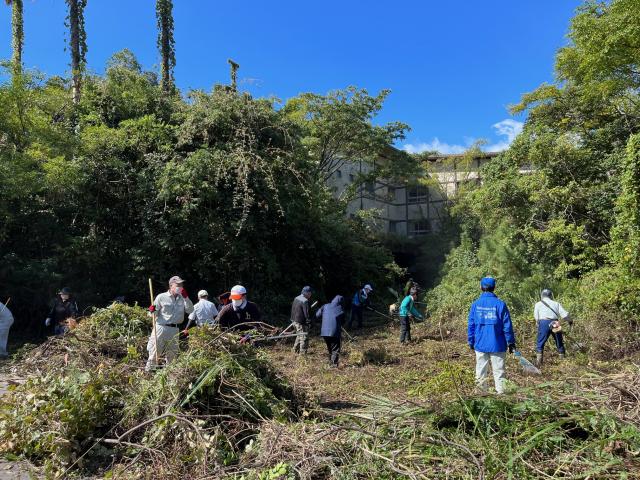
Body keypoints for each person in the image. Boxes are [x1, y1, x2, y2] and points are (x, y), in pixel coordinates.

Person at [467, 277, 516, 394]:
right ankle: (501, 396)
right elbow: (507, 326)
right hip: (498, 345)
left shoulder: (476, 304)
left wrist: (471, 341)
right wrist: (511, 342)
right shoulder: (500, 304)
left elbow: (471, 325)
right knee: (499, 372)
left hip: (480, 344)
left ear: (481, 287)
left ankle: (480, 395)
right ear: (494, 288)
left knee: (480, 371)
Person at [145, 275, 194, 371]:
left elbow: (190, 310)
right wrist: (151, 310)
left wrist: (186, 298)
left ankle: (169, 375)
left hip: (175, 329)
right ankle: (148, 373)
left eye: (181, 284)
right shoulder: (161, 297)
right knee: (155, 352)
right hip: (161, 328)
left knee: (172, 355)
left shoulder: (182, 298)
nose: (180, 286)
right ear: (171, 285)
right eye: (178, 284)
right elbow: (151, 313)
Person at [534, 289, 571, 366]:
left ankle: (539, 363)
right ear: (550, 295)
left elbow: (536, 317)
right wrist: (570, 321)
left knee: (540, 343)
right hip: (555, 323)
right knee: (559, 342)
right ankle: (563, 363)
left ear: (542, 295)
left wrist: (538, 324)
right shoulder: (556, 303)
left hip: (543, 322)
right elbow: (565, 315)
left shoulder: (538, 304)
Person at [317, 295, 345, 367]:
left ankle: (330, 362)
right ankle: (333, 365)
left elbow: (317, 315)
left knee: (330, 347)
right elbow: (343, 321)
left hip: (324, 332)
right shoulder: (340, 308)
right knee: (335, 348)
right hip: (334, 332)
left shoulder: (325, 306)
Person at [291, 286, 312, 355]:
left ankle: (295, 351)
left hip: (293, 321)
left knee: (299, 336)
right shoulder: (305, 301)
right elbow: (307, 314)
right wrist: (309, 323)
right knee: (304, 338)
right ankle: (302, 355)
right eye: (310, 293)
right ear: (306, 293)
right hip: (300, 322)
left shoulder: (296, 298)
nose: (310, 295)